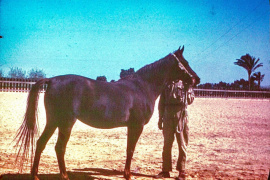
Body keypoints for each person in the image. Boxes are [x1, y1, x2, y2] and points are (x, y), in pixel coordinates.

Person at [156, 79, 195, 180]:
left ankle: (182, 171)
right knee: (167, 144)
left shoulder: (185, 83)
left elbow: (191, 100)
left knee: (182, 144)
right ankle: (165, 170)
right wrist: (160, 118)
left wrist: (188, 89)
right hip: (168, 114)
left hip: (181, 114)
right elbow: (161, 103)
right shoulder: (166, 83)